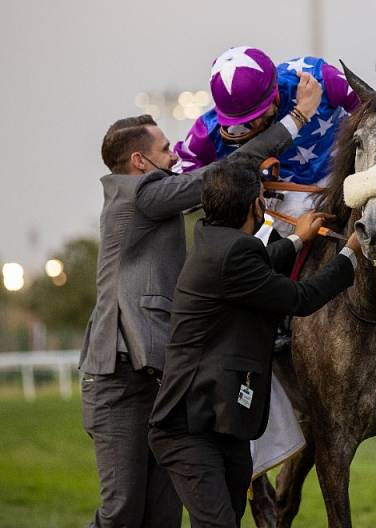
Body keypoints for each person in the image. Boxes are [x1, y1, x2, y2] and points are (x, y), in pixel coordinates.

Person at [80, 110, 300, 527]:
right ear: (139, 163)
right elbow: (222, 174)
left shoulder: (153, 196)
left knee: (164, 516)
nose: (176, 155)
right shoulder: (139, 193)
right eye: (165, 149)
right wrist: (296, 119)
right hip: (119, 382)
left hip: (159, 382)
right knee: (122, 513)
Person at [147, 158, 360, 528]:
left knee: (225, 519)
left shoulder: (214, 239)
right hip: (189, 427)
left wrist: (297, 239)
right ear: (256, 206)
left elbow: (259, 261)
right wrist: (350, 256)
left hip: (219, 420)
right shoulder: (235, 253)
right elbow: (302, 298)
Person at [174, 45, 360, 238]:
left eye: (260, 112)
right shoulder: (208, 130)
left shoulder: (321, 77)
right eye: (245, 120)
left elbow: (374, 117)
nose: (254, 122)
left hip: (343, 181)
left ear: (275, 89)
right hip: (285, 208)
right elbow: (177, 188)